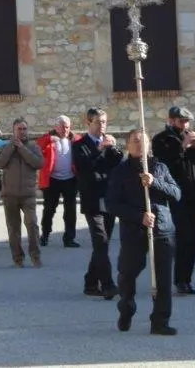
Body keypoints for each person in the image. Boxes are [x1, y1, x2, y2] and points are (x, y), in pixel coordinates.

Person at [106, 129, 181, 336]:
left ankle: (160, 321)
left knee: (163, 279)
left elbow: (177, 194)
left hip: (162, 230)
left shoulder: (159, 167)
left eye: (143, 141)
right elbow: (112, 204)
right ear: (128, 145)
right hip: (134, 231)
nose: (140, 145)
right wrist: (139, 216)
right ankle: (127, 307)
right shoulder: (120, 171)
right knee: (127, 273)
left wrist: (154, 182)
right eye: (135, 141)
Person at [151, 106, 195, 295]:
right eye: (181, 121)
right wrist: (183, 146)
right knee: (180, 239)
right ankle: (177, 280)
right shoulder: (162, 140)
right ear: (171, 120)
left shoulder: (191, 136)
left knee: (191, 240)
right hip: (176, 196)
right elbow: (165, 164)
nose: (184, 125)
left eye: (186, 121)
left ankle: (186, 279)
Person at [73, 107, 123, 299]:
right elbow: (84, 168)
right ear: (88, 123)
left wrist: (113, 148)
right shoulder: (80, 145)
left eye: (104, 122)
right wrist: (99, 150)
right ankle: (108, 284)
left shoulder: (109, 142)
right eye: (98, 122)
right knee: (100, 242)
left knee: (103, 244)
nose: (102, 126)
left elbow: (117, 164)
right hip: (92, 199)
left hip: (109, 198)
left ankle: (90, 282)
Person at [0, 118, 44, 267]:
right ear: (14, 130)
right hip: (10, 195)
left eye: (24, 129)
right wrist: (12, 146)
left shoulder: (33, 146)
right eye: (19, 129)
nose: (22, 132)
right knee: (13, 229)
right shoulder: (6, 146)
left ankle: (35, 256)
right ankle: (18, 258)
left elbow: (38, 163)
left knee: (32, 224)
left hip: (28, 194)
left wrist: (22, 148)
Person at [37, 115, 79, 248]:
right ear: (56, 127)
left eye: (67, 127)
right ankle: (45, 236)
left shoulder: (75, 139)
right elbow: (37, 147)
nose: (65, 130)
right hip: (52, 180)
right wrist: (49, 139)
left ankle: (69, 238)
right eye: (62, 127)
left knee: (70, 211)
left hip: (70, 179)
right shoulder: (48, 138)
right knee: (49, 210)